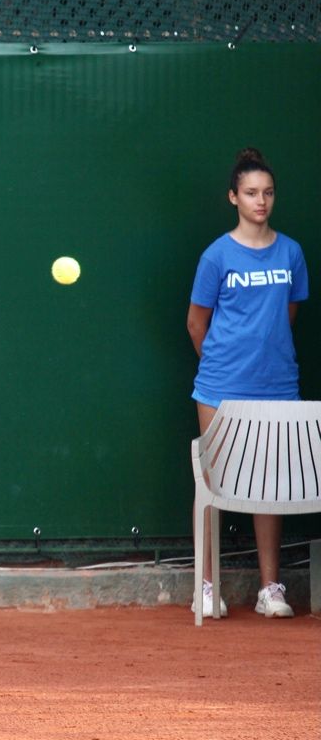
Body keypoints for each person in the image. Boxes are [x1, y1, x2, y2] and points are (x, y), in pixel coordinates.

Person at [186, 147, 309, 619]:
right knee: (213, 483)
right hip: (219, 386)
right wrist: (225, 365)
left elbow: (288, 313)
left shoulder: (291, 252)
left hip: (278, 385)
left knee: (271, 485)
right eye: (252, 193)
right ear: (233, 197)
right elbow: (197, 323)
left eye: (269, 193)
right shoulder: (216, 256)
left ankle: (270, 589)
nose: (262, 201)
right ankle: (206, 587)